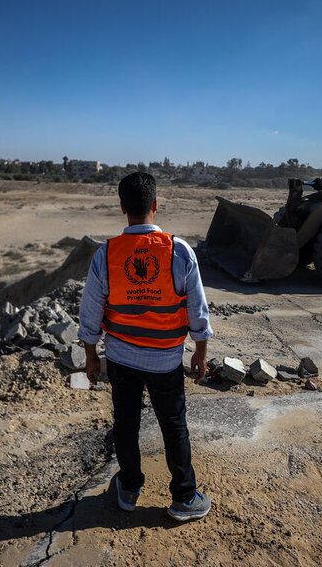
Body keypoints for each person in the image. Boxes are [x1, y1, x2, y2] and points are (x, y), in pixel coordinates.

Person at [78, 171, 214, 522]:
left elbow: (90, 313)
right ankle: (184, 497)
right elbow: (197, 308)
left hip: (121, 358)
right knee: (174, 426)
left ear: (123, 207)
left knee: (126, 423)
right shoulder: (179, 251)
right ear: (155, 205)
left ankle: (128, 487)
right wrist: (200, 351)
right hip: (166, 361)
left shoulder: (106, 254)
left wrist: (91, 357)